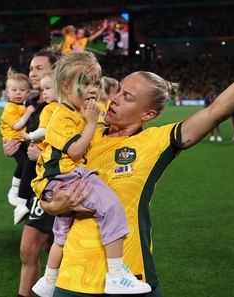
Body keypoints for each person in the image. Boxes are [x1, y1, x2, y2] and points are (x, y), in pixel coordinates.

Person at [35, 7, 234, 297]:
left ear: (149, 114)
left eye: (127, 98)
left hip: (132, 277)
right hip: (72, 279)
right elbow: (47, 173)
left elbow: (216, 112)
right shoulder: (85, 130)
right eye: (117, 91)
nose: (113, 99)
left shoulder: (157, 141)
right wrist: (51, 204)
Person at [31, 52, 151, 297]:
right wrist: (90, 122)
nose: (92, 89)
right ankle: (116, 275)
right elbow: (76, 149)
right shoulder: (61, 116)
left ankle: (48, 280)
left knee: (61, 234)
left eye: (96, 82)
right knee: (112, 206)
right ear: (65, 86)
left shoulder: (74, 111)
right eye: (85, 83)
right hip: (65, 179)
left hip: (59, 181)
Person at [2, 48, 60, 297]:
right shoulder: (33, 104)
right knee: (34, 248)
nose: (32, 74)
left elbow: (77, 149)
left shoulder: (63, 106)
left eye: (38, 68)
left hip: (57, 184)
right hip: (37, 184)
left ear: (56, 71)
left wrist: (43, 156)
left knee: (42, 247)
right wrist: (11, 147)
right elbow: (24, 142)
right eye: (30, 69)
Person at [0, 68, 34, 207]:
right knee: (24, 164)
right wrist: (29, 111)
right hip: (14, 140)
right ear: (7, 93)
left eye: (21, 90)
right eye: (14, 90)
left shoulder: (21, 105)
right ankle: (15, 189)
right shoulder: (10, 108)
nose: (18, 93)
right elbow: (17, 125)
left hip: (21, 139)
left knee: (27, 163)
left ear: (28, 93)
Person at [20, 72, 60, 144]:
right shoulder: (67, 105)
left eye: (47, 88)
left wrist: (30, 136)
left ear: (60, 88)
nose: (44, 92)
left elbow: (43, 130)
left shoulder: (49, 109)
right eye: (43, 90)